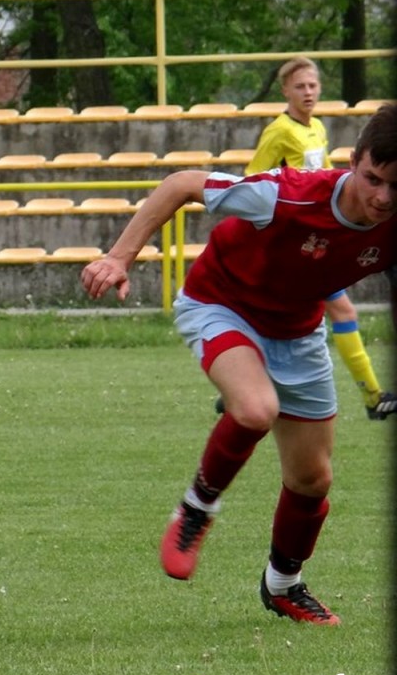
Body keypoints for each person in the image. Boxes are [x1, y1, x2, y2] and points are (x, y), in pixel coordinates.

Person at [80, 103, 397, 625]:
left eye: (396, 186)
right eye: (373, 179)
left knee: (313, 479)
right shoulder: (286, 195)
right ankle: (196, 509)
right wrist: (119, 257)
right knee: (254, 409)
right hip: (222, 303)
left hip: (297, 331)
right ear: (353, 162)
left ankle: (283, 585)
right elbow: (181, 184)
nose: (383, 197)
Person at [244, 56, 394, 419]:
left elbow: (326, 176)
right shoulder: (279, 131)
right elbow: (253, 178)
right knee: (338, 311)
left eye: (312, 85)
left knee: (302, 317)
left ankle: (254, 382)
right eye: (300, 86)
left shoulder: (316, 128)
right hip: (294, 235)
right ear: (285, 91)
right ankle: (373, 397)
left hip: (320, 234)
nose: (308, 92)